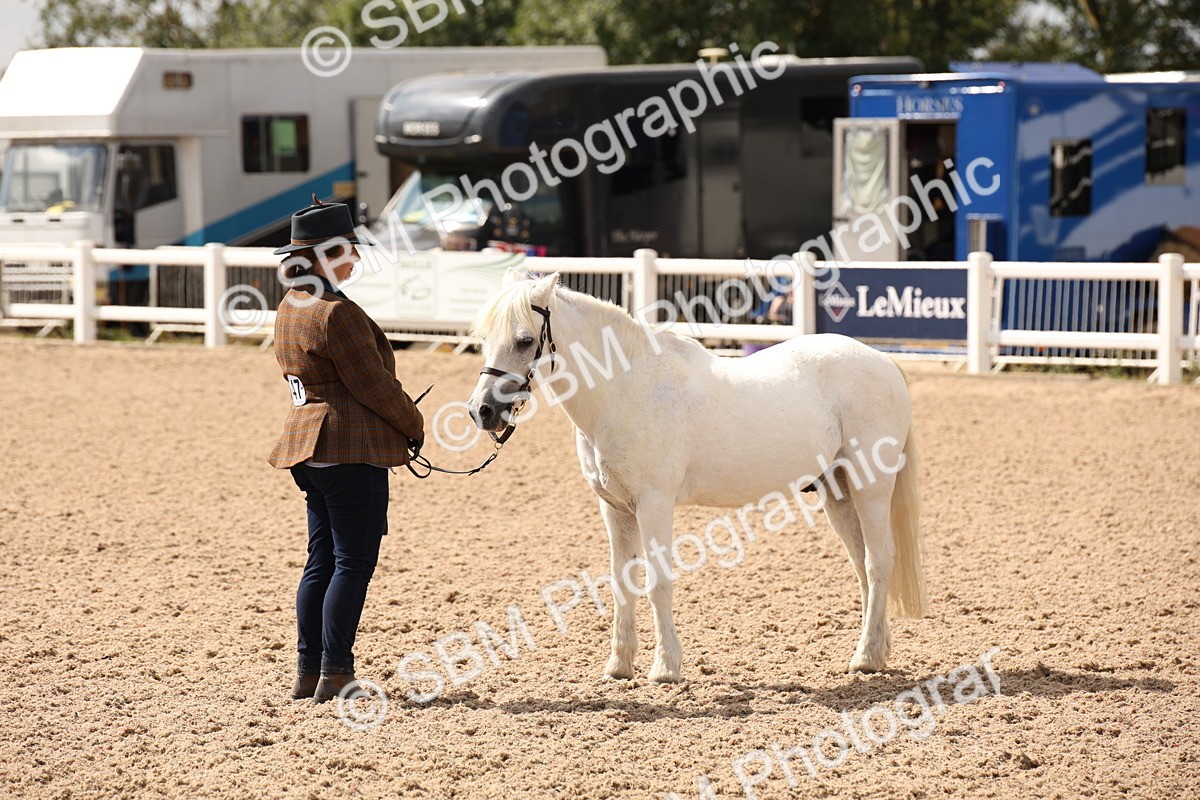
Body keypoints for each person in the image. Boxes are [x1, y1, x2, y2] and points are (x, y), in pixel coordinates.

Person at [267, 196, 425, 703]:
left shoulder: (291, 305)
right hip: (348, 447)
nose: (355, 258)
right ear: (323, 254)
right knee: (352, 563)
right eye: (348, 250)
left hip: (307, 447)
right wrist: (414, 423)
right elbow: (373, 387)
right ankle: (336, 671)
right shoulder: (337, 312)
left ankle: (308, 670)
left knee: (321, 562)